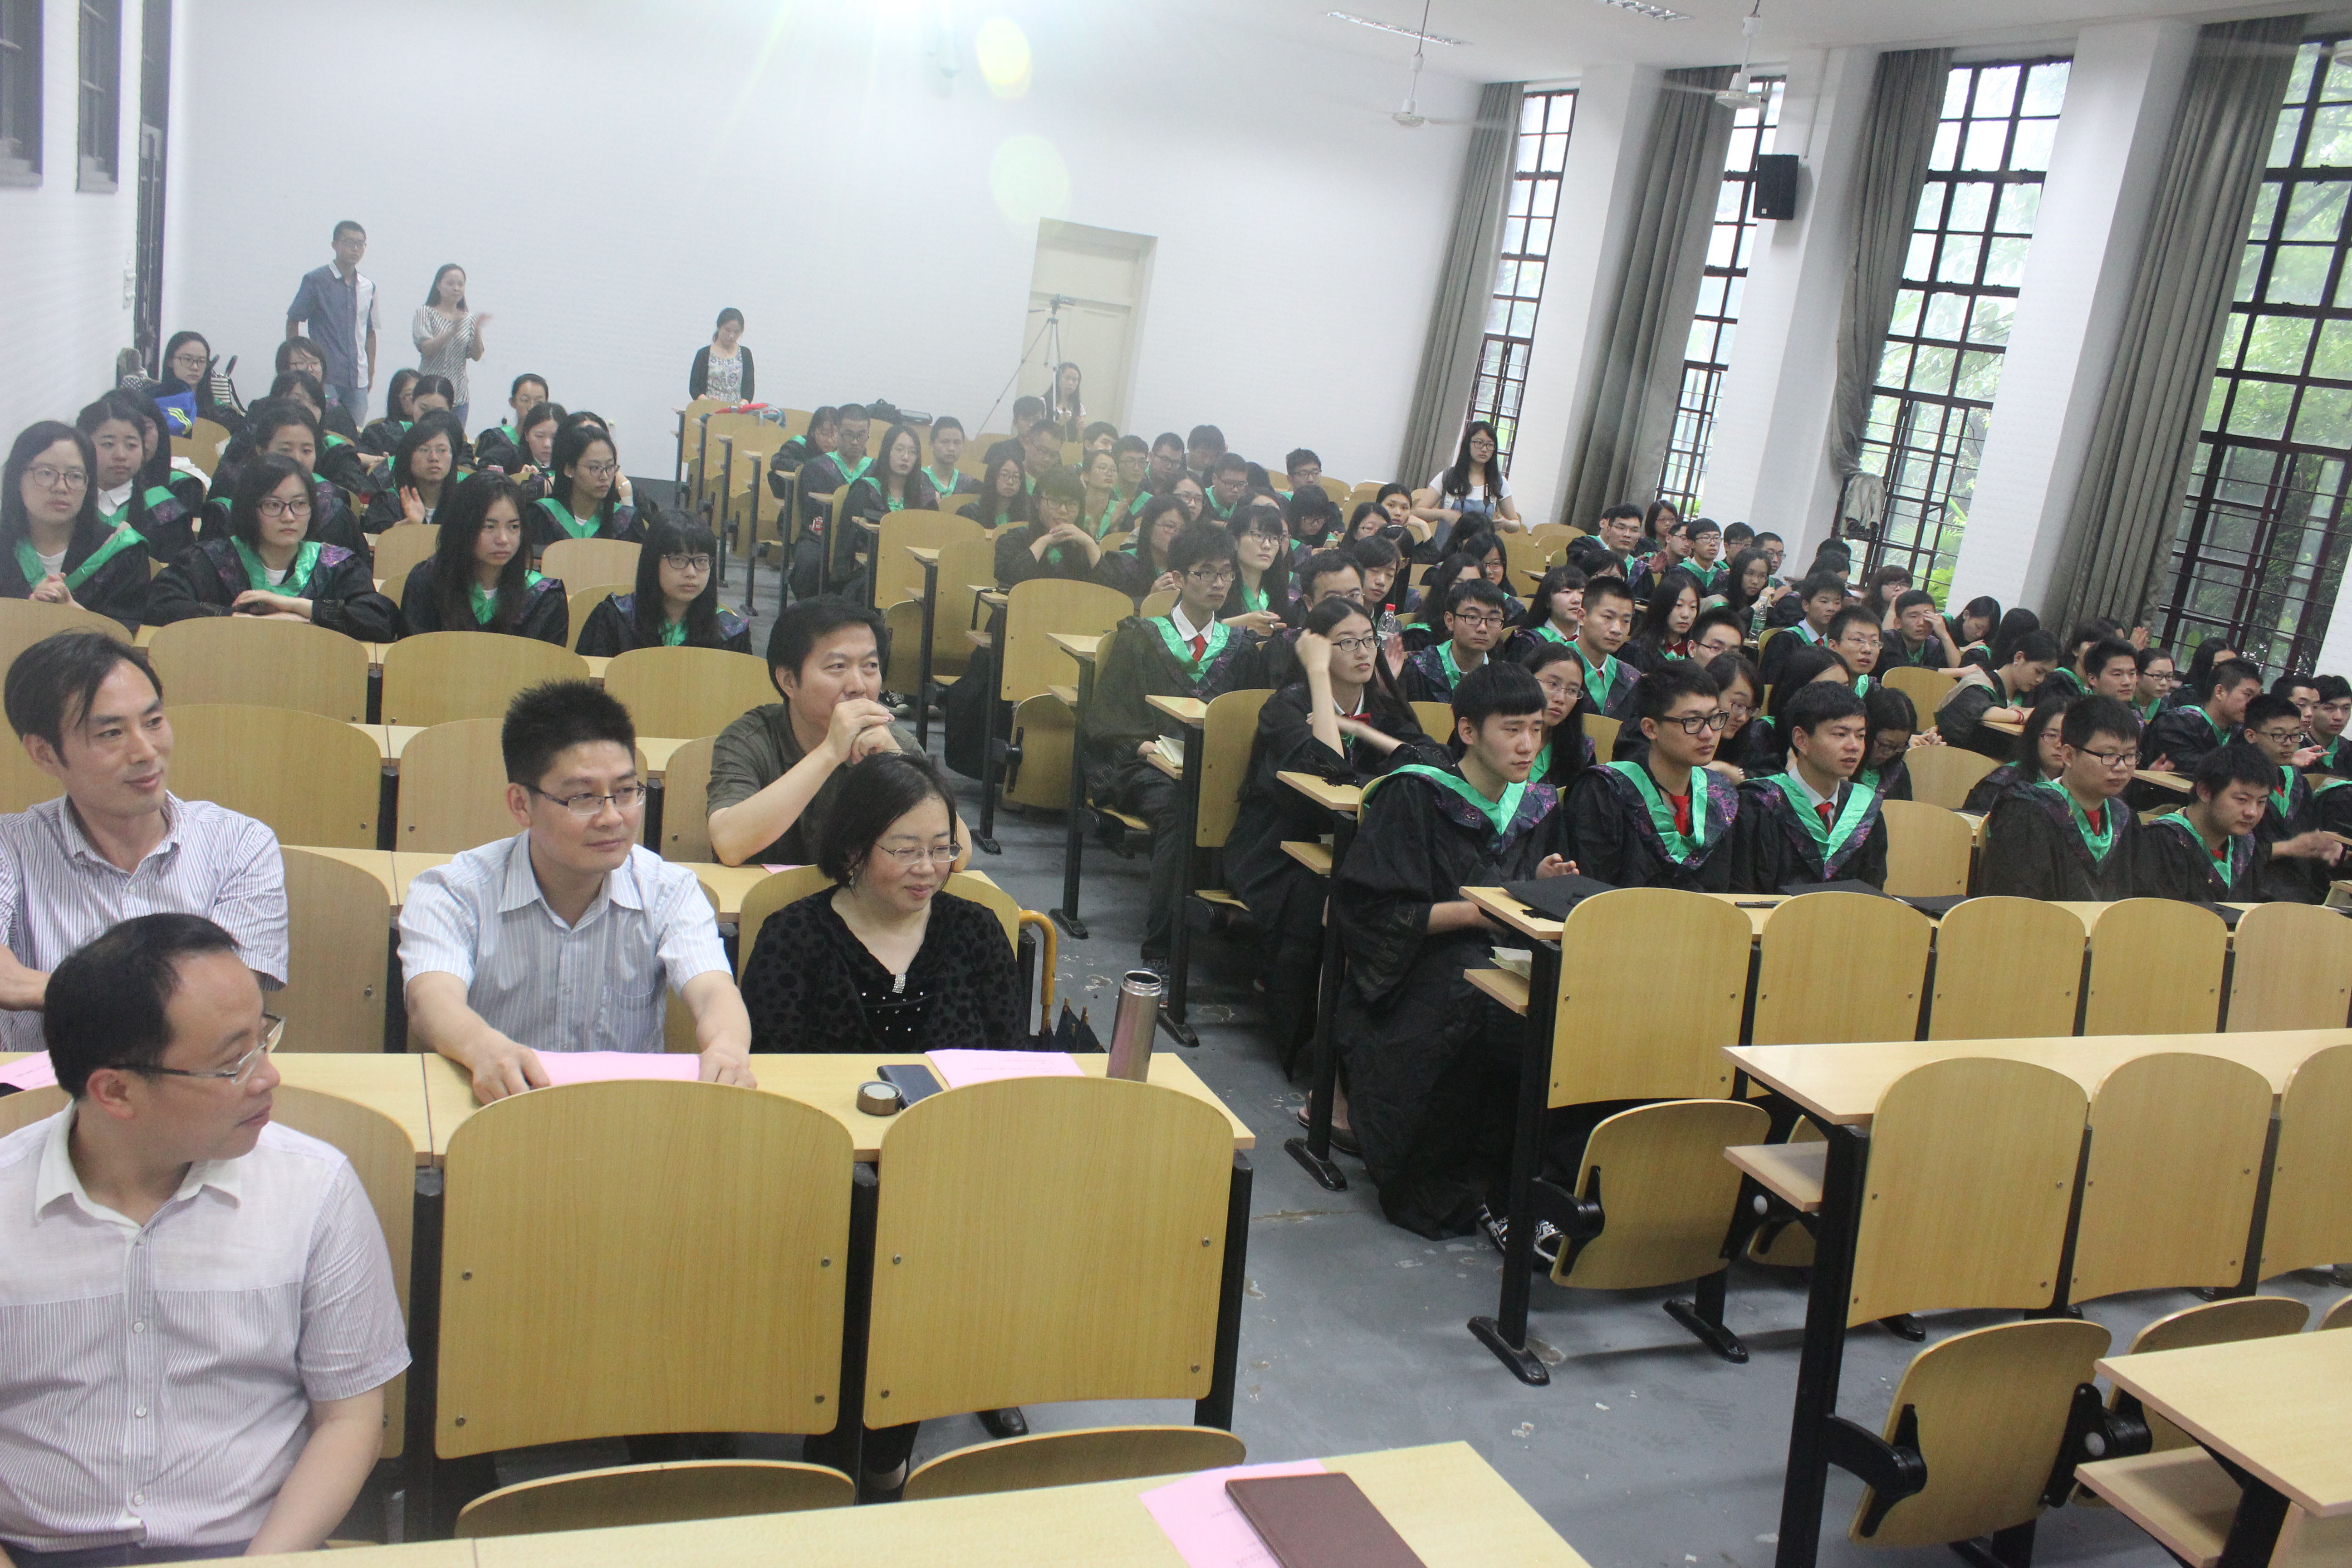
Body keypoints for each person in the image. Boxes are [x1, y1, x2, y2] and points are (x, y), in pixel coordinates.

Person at [0, 914, 408, 1565]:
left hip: (255, 1549)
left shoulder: (313, 1187)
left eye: (263, 1040)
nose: (267, 1077)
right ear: (116, 1092)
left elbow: (349, 1420)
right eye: (231, 1063)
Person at [400, 682, 752, 1102]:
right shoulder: (454, 891)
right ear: (521, 804)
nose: (612, 818)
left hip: (626, 1112)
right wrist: (482, 1048)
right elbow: (431, 998)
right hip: (497, 1104)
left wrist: (728, 1048)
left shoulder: (669, 890)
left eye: (626, 792)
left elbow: (713, 990)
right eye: (583, 797)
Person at [1330, 662, 1573, 1238]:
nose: (1528, 745)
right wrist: (1487, 909)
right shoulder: (1414, 795)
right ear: (1467, 730)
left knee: (1561, 1014)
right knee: (1477, 1010)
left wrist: (1538, 886)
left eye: (1536, 729)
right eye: (1512, 729)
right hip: (1417, 971)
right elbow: (1370, 914)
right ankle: (1464, 1188)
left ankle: (1532, 1190)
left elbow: (1523, 902)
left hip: (1507, 957)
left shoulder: (1537, 804)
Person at [0, 633, 289, 1052]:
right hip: (40, 1087)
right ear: (45, 754)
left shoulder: (240, 845)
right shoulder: (10, 845)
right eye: (111, 733)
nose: (146, 752)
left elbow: (223, 1004)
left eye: (153, 722)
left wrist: (52, 990)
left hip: (194, 1086)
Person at [1225, 598, 1433, 1062]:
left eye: (1369, 641)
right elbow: (1330, 772)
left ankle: (1373, 1045)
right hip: (1279, 851)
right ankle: (1310, 1047)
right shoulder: (1285, 707)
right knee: (1325, 902)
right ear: (1318, 651)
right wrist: (1319, 678)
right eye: (1347, 643)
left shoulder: (1381, 706)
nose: (1363, 652)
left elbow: (1429, 762)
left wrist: (1362, 732)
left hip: (1360, 848)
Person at [739, 750, 1016, 1054]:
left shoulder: (978, 931)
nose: (926, 868)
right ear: (854, 851)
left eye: (941, 849)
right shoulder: (792, 938)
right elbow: (769, 1067)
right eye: (906, 851)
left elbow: (1013, 1060)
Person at [1081, 519, 1266, 967]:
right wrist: (1148, 750)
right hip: (1144, 765)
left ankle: (1247, 940)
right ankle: (1161, 946)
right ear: (1179, 578)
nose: (1219, 583)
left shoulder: (1241, 648)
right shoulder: (1140, 638)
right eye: (1206, 572)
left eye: (1226, 572)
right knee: (1182, 810)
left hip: (1214, 770)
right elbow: (1108, 717)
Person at [707, 597, 909, 867]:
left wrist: (898, 763)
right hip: (766, 894)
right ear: (789, 681)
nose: (859, 686)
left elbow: (956, 851)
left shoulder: (890, 742)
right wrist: (830, 752)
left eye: (870, 666)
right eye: (837, 667)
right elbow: (729, 845)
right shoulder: (749, 740)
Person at [149, 454, 399, 641]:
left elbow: (380, 621)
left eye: (300, 504)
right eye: (273, 505)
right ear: (249, 509)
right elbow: (161, 604)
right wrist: (239, 619)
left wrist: (296, 607)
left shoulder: (336, 564)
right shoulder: (212, 560)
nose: (289, 517)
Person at [1566, 663, 1740, 892]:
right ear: (1650, 729)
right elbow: (1590, 892)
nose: (1708, 734)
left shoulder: (1720, 796)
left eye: (1715, 718)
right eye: (1692, 721)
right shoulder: (1605, 792)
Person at [1980, 696, 2146, 901]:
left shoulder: (2123, 820)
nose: (2121, 767)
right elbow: (2015, 902)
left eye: (2129, 756)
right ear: (2069, 756)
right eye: (2108, 755)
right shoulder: (2028, 812)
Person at [1729, 680, 1888, 892]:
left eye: (1861, 736)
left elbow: (1872, 894)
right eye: (1840, 735)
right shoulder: (1757, 806)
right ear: (1801, 740)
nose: (1854, 746)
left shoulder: (1865, 811)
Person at [2, 421, 151, 630]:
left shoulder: (123, 552)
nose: (61, 487)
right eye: (46, 473)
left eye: (75, 476)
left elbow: (125, 637)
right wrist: (23, 616)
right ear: (16, 478)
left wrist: (75, 615)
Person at [397, 473, 568, 642]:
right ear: (462, 527)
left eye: (514, 527)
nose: (503, 539)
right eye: (489, 527)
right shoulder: (427, 583)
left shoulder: (544, 597)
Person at [576, 514, 750, 656]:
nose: (691, 572)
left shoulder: (731, 633)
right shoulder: (614, 619)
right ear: (652, 563)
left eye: (702, 561)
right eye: (678, 559)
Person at [2238, 692, 2349, 901]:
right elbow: (2222, 849)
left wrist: (2327, 849)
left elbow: (2308, 837)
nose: (2289, 743)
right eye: (2279, 736)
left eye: (2296, 735)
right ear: (2251, 736)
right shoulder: (2234, 779)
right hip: (2247, 887)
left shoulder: (2296, 780)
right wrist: (2289, 848)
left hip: (2297, 888)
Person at [2136, 744, 2274, 904]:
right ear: (2205, 792)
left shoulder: (2244, 843)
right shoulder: (2161, 840)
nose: (2252, 812)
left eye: (2261, 802)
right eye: (2242, 800)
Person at [76, 390, 200, 562]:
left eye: (131, 445)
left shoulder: (166, 512)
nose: (121, 455)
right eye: (108, 444)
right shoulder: (68, 504)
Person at [284, 220, 378, 422]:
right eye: (349, 243)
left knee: (355, 433)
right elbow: (294, 320)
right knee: (324, 428)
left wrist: (371, 372)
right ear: (335, 245)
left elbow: (370, 333)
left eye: (361, 244)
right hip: (324, 377)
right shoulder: (315, 280)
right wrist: (297, 363)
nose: (356, 249)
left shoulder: (368, 287)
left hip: (358, 379)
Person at [1937, 629, 2060, 759]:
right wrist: (2021, 716)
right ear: (2019, 658)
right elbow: (1973, 709)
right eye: (2038, 671)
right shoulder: (1980, 684)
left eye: (2047, 675)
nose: (2040, 680)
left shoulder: (2032, 695)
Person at [526, 419, 641, 558]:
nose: (604, 476)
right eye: (595, 468)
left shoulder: (625, 521)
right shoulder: (542, 517)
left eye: (610, 467)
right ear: (570, 469)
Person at [2142, 656, 2261, 772]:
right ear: (2220, 692)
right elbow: (2200, 768)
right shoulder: (2175, 724)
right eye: (2248, 695)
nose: (2254, 704)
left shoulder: (2241, 734)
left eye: (2257, 697)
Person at [1963, 694, 2070, 815]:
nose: (2060, 745)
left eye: (2068, 737)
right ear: (2034, 737)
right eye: (2052, 735)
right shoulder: (2002, 783)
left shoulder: (2077, 788)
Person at [362, 410, 466, 532]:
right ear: (407, 456)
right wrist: (410, 524)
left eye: (442, 450)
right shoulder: (387, 502)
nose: (434, 458)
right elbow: (379, 540)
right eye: (424, 450)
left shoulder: (464, 505)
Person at [994, 468, 1102, 587]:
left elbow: (1108, 590)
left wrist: (1090, 544)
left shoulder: (1083, 545)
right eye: (1054, 501)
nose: (1063, 510)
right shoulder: (1013, 539)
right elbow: (1010, 580)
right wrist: (1044, 541)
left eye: (1071, 504)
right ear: (1036, 502)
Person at [412, 264, 488, 426]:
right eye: (450, 283)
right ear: (438, 285)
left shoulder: (468, 319)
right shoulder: (425, 312)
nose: (456, 288)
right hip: (430, 394)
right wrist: (451, 331)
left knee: (454, 439)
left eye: (461, 284)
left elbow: (476, 356)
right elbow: (426, 349)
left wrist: (477, 331)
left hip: (458, 397)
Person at [1411, 421, 1519, 534]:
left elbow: (1516, 524)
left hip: (1481, 545)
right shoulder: (1448, 476)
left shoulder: (1499, 482)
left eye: (1490, 445)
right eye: (1479, 443)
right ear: (1468, 444)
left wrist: (1505, 524)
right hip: (1447, 545)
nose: (1484, 449)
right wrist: (1444, 514)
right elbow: (1417, 512)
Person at [1568, 575, 1642, 723]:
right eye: (1608, 617)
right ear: (1582, 617)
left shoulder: (1631, 678)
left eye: (1626, 621)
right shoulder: (1552, 666)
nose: (1617, 629)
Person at [1524, 643, 1595, 789]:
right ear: (1527, 678)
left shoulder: (1581, 750)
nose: (1561, 699)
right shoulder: (1494, 737)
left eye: (1572, 690)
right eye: (1553, 684)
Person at [846, 423, 941, 529]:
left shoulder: (925, 498)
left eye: (913, 452)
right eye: (900, 450)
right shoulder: (865, 491)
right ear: (887, 452)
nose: (906, 457)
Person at [1093, 492, 1185, 602]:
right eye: (1170, 526)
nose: (1176, 535)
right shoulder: (1122, 565)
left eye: (1182, 530)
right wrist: (1150, 600)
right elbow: (1114, 607)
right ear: (1149, 526)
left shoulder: (1187, 568)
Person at [1758, 574, 1846, 686]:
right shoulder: (1786, 640)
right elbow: (1770, 685)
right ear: (1806, 605)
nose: (1832, 608)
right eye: (1824, 602)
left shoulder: (1835, 644)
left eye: (1837, 603)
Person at [1226, 498, 1291, 631]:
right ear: (1235, 541)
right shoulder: (1218, 586)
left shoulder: (1282, 590)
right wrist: (1237, 624)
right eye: (1258, 535)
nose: (1267, 545)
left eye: (1274, 538)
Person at [153, 331, 230, 436]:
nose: (195, 367)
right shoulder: (153, 404)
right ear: (170, 361)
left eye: (201, 361)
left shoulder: (219, 412)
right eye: (187, 359)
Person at [472, 373, 549, 475]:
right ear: (513, 402)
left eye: (539, 403)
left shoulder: (548, 444)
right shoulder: (496, 438)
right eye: (525, 400)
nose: (531, 407)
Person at [1625, 571, 1701, 671]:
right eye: (1678, 605)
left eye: (1693, 607)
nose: (1686, 615)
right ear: (1661, 606)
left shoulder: (1695, 652)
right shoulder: (1637, 652)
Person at [1857, 686, 1921, 802]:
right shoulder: (1845, 771)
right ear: (1868, 732)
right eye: (1886, 745)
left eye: (1899, 747)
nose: (1890, 753)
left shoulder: (1898, 772)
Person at [1512, 563, 1584, 657]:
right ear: (1547, 600)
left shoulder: (1593, 640)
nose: (1577, 600)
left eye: (1582, 592)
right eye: (1567, 592)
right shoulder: (1530, 641)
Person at [1880, 589, 1957, 670]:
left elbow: (1958, 670)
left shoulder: (1935, 645)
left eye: (1927, 616)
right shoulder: (1886, 641)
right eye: (1913, 616)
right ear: (1898, 623)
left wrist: (1944, 635)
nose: (1921, 623)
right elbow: (1902, 670)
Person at [688, 307, 754, 402]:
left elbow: (749, 389)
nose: (732, 336)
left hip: (736, 410)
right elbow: (694, 388)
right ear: (719, 327)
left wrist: (742, 405)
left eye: (736, 332)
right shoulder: (704, 354)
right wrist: (707, 402)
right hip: (709, 408)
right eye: (727, 330)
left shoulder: (745, 354)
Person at [1568, 505, 1644, 579]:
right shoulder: (1585, 557)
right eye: (1621, 528)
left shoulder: (1641, 570)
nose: (1627, 535)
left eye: (1634, 531)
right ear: (1608, 530)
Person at [960, 452, 1029, 532]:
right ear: (993, 477)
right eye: (1004, 475)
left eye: (1016, 476)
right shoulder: (971, 513)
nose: (1010, 482)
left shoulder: (1026, 517)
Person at [1824, 605, 1883, 696]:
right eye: (1858, 640)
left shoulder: (1875, 693)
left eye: (1874, 642)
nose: (1868, 649)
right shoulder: (1818, 689)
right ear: (1833, 646)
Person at [981, 398, 1046, 473]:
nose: (1031, 425)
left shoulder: (1049, 453)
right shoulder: (998, 450)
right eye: (1026, 419)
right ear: (1015, 422)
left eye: (1036, 420)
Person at [922, 416, 976, 503]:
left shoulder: (970, 485)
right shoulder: (918, 480)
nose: (952, 448)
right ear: (932, 445)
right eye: (945, 442)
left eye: (957, 443)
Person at [2308, 673, 2352, 775]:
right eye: (2329, 708)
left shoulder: (2349, 751)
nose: (2339, 717)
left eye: (2346, 709)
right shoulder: (2294, 749)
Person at [1203, 453, 1252, 522]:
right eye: (1230, 483)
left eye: (1241, 484)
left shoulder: (1246, 505)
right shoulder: (1201, 499)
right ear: (1215, 479)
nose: (1236, 490)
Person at [1046, 362, 1085, 439]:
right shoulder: (1044, 402)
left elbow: (1079, 440)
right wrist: (1058, 424)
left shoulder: (1079, 407)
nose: (1071, 383)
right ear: (1058, 379)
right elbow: (1037, 434)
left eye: (1075, 380)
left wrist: (1081, 431)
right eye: (1067, 378)